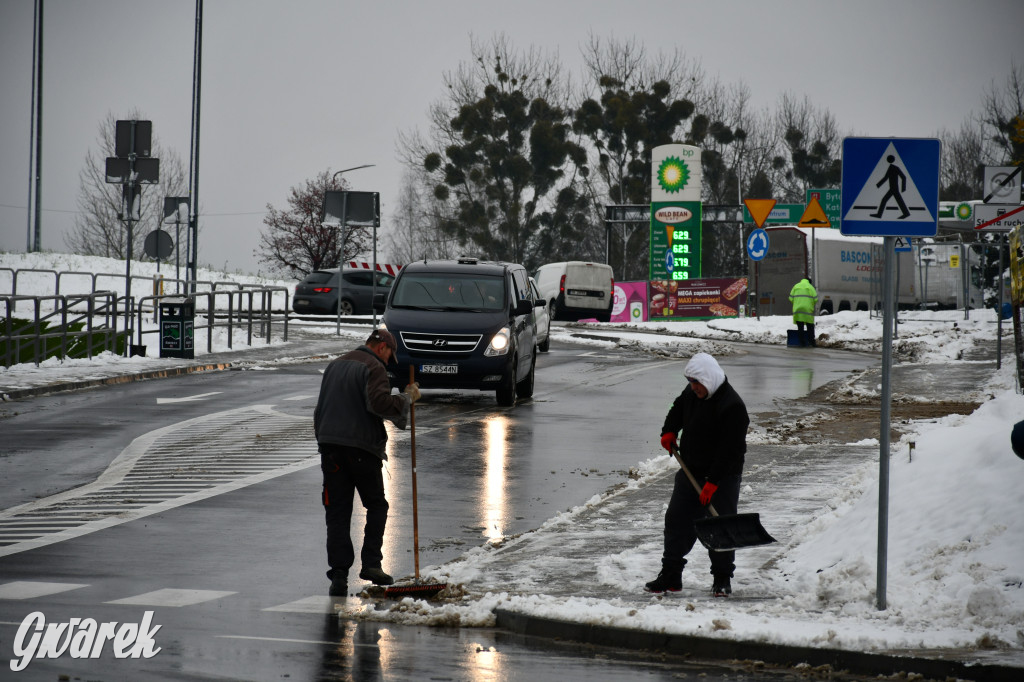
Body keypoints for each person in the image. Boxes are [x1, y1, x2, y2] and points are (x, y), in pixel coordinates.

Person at [314, 328, 420, 596]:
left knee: (337, 512)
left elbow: (320, 410)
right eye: (389, 356)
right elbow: (379, 403)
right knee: (376, 505)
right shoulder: (373, 367)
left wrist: (324, 444)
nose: (388, 362)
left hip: (330, 448)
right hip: (361, 448)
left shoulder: (334, 365)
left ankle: (338, 575)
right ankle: (371, 565)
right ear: (382, 347)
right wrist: (407, 398)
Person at [645, 352, 749, 597]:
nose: (692, 388)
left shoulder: (733, 406)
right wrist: (669, 431)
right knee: (676, 520)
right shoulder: (692, 393)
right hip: (691, 470)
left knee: (719, 525)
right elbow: (677, 408)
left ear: (709, 379)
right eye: (690, 382)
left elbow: (730, 451)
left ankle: (722, 578)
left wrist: (713, 483)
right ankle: (671, 575)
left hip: (722, 476)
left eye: (696, 383)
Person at [789, 276, 818, 347]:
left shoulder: (796, 286)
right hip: (808, 310)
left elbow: (790, 298)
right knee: (810, 326)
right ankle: (811, 342)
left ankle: (802, 342)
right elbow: (815, 299)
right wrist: (810, 304)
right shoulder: (811, 287)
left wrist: (797, 303)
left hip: (798, 310)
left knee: (800, 327)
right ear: (809, 282)